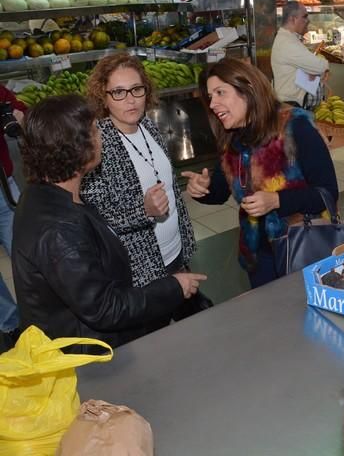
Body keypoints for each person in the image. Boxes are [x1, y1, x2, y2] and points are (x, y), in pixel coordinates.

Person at [12, 95, 207, 352]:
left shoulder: (46, 195)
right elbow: (104, 307)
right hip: (87, 358)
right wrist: (173, 287)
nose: (101, 137)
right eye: (94, 131)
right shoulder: (58, 230)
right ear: (75, 146)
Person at [182, 58, 338, 288]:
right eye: (210, 96)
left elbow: (327, 193)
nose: (213, 103)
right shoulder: (231, 137)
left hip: (305, 245)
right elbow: (220, 192)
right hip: (258, 254)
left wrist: (277, 200)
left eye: (220, 93)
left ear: (248, 89)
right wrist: (202, 189)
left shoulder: (295, 126)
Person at [81, 53, 207, 325]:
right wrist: (143, 210)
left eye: (136, 89)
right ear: (103, 96)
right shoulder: (97, 143)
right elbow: (96, 214)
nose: (130, 99)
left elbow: (164, 184)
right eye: (118, 92)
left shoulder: (148, 125)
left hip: (175, 251)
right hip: (139, 266)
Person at [0, 85, 25, 334]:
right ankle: (11, 327)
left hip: (4, 190)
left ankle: (41, 319)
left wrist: (17, 113)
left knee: (26, 253)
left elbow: (17, 109)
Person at [271, 0, 329, 108]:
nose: (308, 21)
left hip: (292, 104)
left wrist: (310, 70)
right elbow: (321, 66)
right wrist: (320, 69)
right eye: (304, 16)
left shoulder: (288, 38)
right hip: (292, 107)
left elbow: (309, 65)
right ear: (293, 19)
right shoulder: (287, 43)